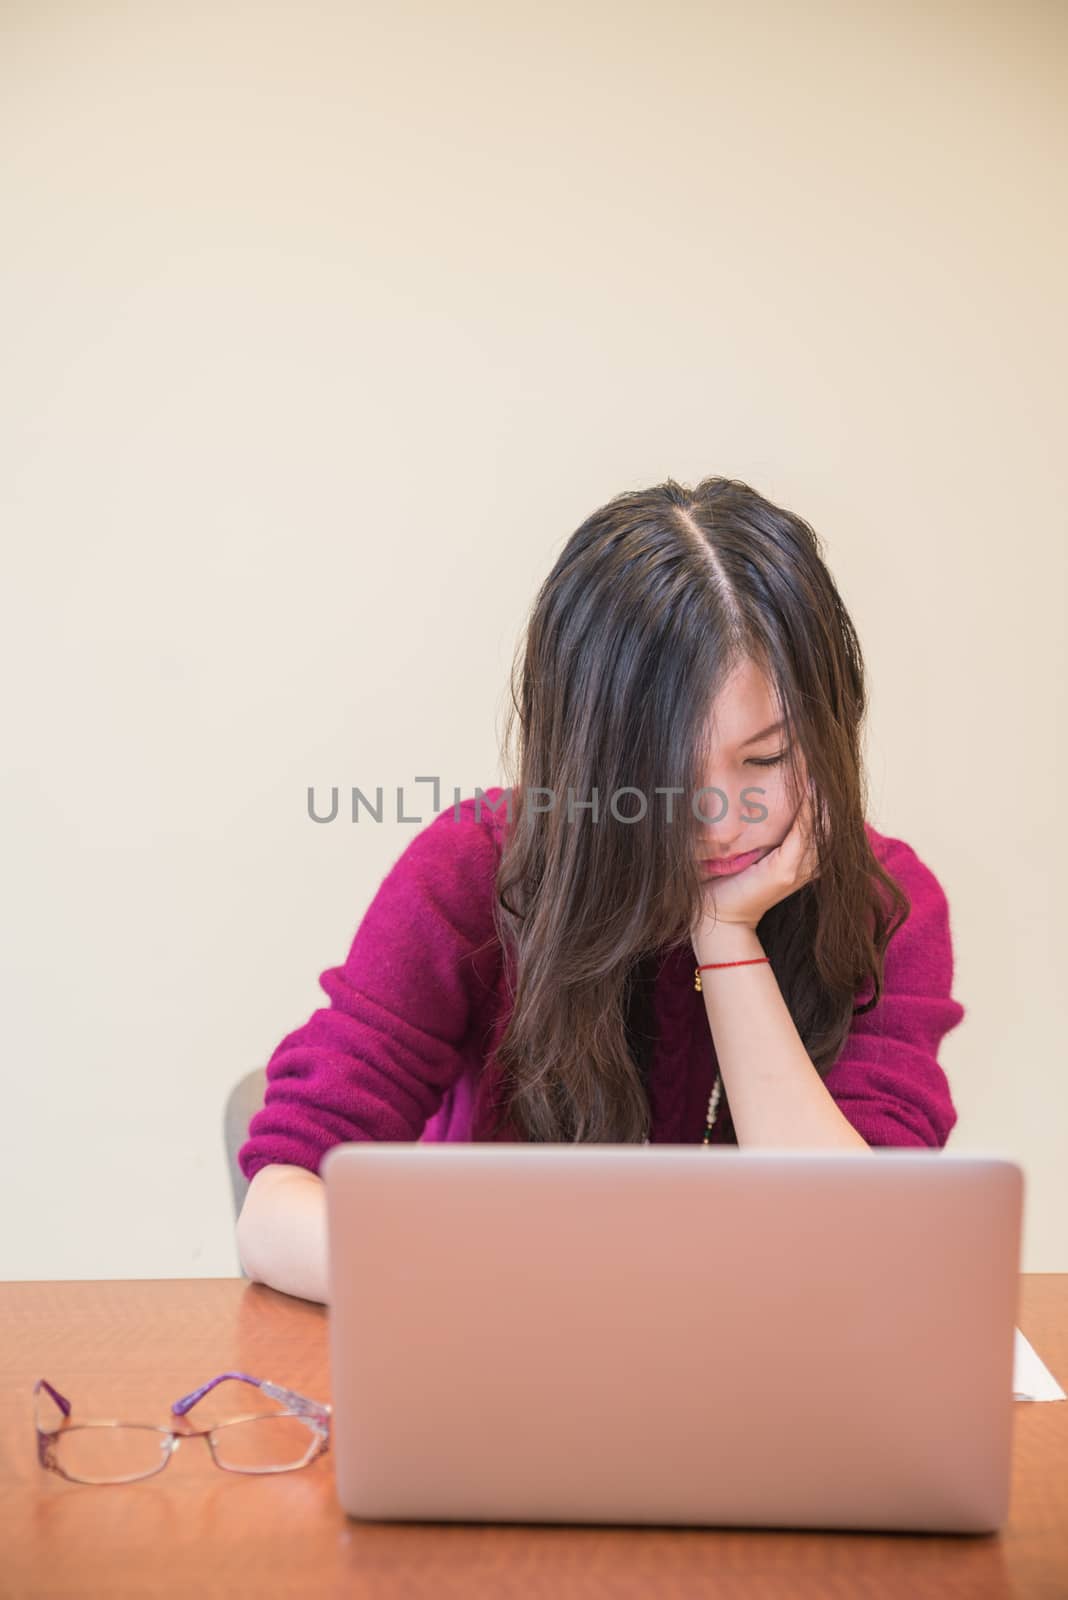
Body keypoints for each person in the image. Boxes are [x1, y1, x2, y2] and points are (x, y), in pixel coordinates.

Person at [236, 475, 965, 1304]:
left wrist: (727, 937)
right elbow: (276, 1209)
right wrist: (523, 1292)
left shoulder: (886, 907)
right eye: (662, 774)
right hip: (509, 1351)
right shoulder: (479, 870)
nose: (720, 821)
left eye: (765, 760)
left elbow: (851, 1256)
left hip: (762, 1380)